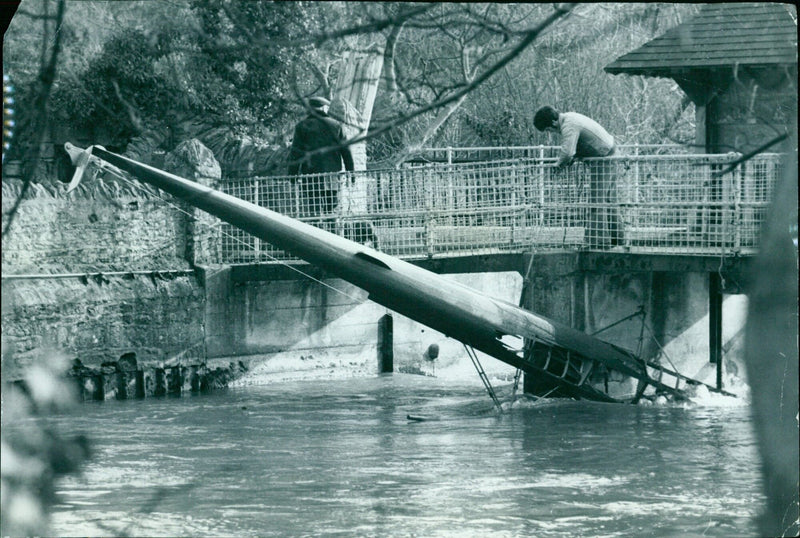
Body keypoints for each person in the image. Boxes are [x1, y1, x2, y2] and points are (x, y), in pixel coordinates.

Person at [533, 105, 621, 248]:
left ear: (554, 122)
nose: (552, 133)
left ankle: (597, 242)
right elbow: (579, 146)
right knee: (609, 200)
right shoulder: (570, 118)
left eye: (549, 130)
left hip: (603, 159)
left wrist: (558, 165)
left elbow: (568, 151)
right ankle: (617, 239)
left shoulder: (569, 125)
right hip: (610, 155)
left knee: (596, 201)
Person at [287, 96, 355, 220]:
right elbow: (346, 151)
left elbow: (296, 153)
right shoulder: (336, 125)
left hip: (310, 177)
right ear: (324, 108)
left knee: (314, 212)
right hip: (332, 177)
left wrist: (292, 175)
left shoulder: (302, 126)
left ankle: (315, 236)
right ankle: (332, 237)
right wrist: (351, 173)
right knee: (332, 212)